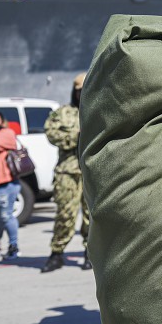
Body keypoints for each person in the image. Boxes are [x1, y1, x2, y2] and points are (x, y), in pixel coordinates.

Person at [41, 73, 92, 273]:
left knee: (92, 217)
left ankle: (90, 254)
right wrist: (76, 136)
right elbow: (51, 133)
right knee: (65, 214)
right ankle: (57, 253)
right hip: (67, 171)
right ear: (75, 92)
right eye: (80, 91)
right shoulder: (62, 112)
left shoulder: (98, 111)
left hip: (91, 171)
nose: (83, 94)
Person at [0, 110, 22, 260]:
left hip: (5, 184)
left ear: (1, 121)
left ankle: (14, 247)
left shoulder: (7, 132)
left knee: (5, 216)